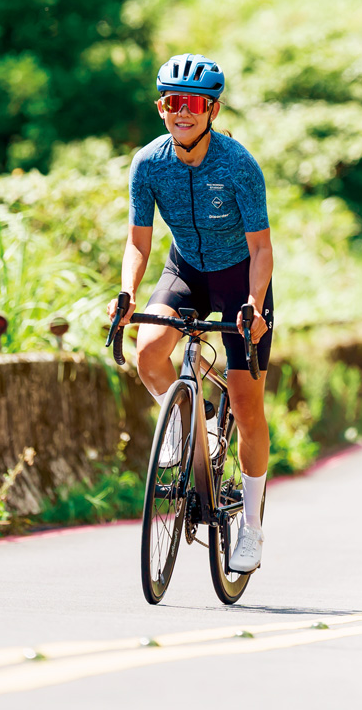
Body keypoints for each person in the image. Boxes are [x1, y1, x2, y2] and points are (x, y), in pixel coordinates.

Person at [108, 53, 274, 574]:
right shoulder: (148, 163)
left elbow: (263, 249)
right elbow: (139, 240)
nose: (184, 112)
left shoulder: (238, 166)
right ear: (162, 108)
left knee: (248, 406)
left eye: (195, 104)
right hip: (184, 270)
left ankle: (251, 526)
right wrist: (128, 293)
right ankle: (191, 418)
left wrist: (253, 304)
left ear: (213, 111)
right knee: (150, 353)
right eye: (174, 102)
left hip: (239, 278)